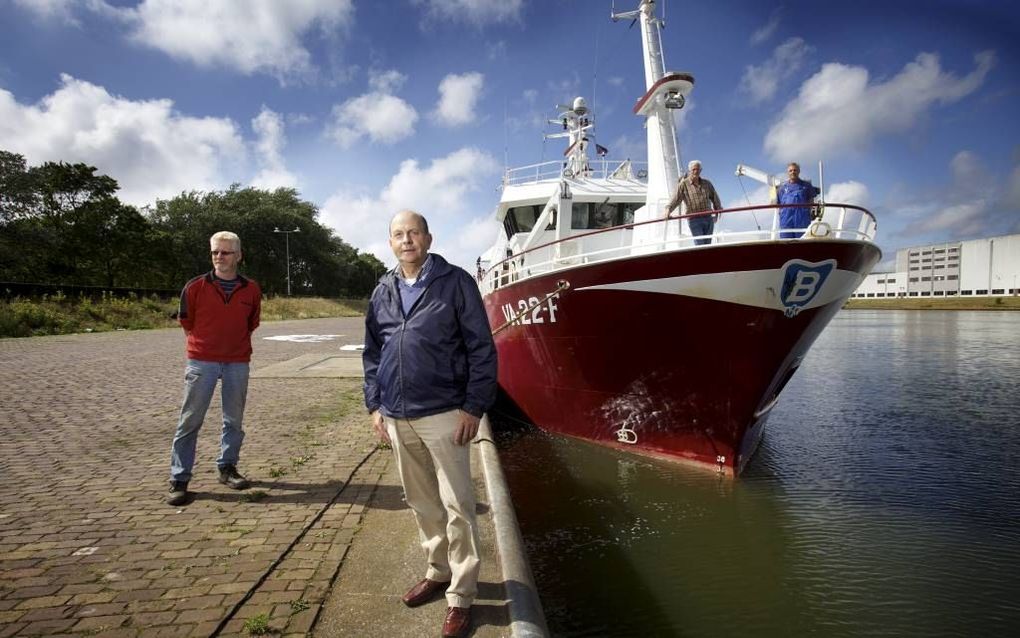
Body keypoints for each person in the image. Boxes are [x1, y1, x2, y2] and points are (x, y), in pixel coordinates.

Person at [363, 210, 497, 638]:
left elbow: (481, 347)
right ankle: (437, 571)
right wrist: (375, 405)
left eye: (414, 233)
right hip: (397, 416)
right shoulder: (382, 289)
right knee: (422, 503)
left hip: (445, 413)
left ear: (428, 237)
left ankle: (462, 594)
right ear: (390, 243)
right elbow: (372, 354)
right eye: (399, 235)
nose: (407, 241)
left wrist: (473, 407)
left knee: (458, 506)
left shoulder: (456, 282)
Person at [166, 231, 261, 506]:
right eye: (215, 252)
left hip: (237, 362)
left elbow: (251, 321)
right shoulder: (194, 287)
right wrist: (205, 347)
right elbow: (187, 321)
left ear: (238, 256)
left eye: (226, 252)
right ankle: (179, 479)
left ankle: (227, 468)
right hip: (202, 362)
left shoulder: (251, 289)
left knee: (233, 420)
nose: (219, 257)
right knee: (190, 421)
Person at [664, 159, 722, 245]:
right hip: (694, 219)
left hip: (708, 218)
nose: (696, 172)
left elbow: (715, 198)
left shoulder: (707, 183)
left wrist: (717, 213)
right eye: (694, 169)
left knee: (708, 243)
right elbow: (676, 199)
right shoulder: (683, 184)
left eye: (698, 169)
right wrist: (668, 210)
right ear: (690, 170)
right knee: (699, 244)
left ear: (701, 170)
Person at [776, 162, 821, 239]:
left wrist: (806, 213)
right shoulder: (782, 188)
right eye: (790, 170)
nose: (793, 172)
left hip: (802, 219)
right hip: (786, 220)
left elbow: (811, 201)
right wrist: (782, 214)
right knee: (785, 241)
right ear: (788, 172)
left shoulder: (806, 186)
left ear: (799, 171)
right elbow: (778, 204)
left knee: (803, 240)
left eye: (795, 170)